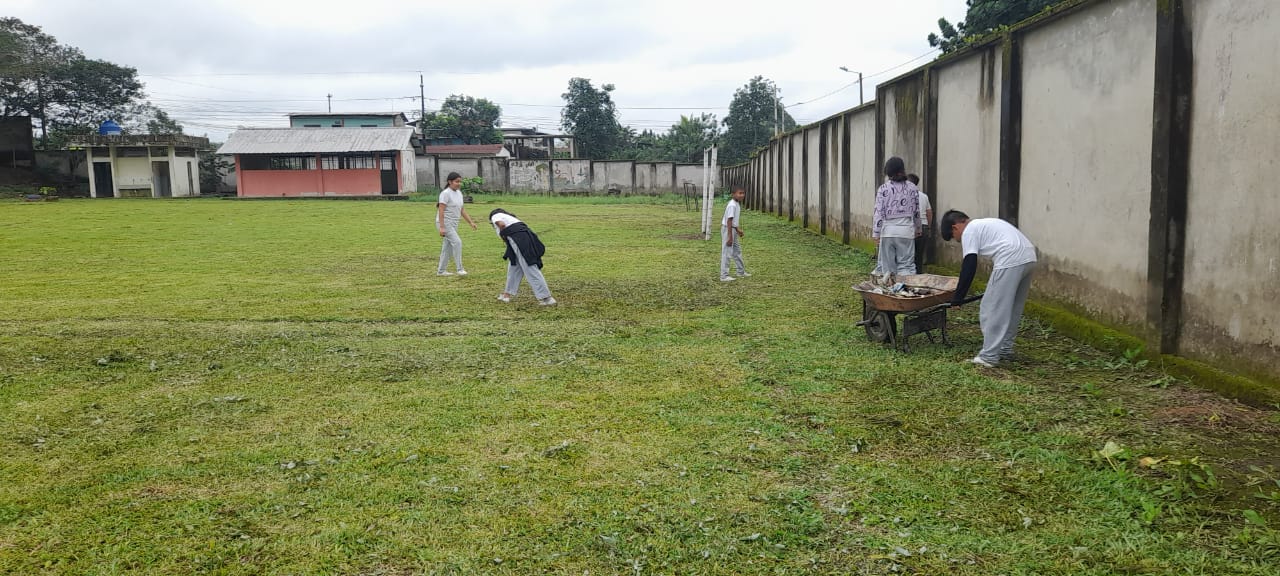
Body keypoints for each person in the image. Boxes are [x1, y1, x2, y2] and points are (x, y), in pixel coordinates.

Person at [941, 210, 1037, 368]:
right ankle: (1005, 349)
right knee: (1013, 307)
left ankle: (989, 356)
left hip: (1010, 258)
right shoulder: (985, 224)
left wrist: (957, 298)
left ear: (955, 227)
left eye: (953, 237)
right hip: (1029, 256)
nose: (957, 240)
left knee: (991, 307)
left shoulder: (969, 230)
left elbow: (969, 265)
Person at [489, 208, 556, 306]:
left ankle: (547, 298)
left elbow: (502, 225)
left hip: (519, 241)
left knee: (530, 268)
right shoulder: (511, 218)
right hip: (524, 239)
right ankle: (507, 295)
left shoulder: (496, 216)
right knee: (514, 266)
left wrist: (503, 235)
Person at [872, 157, 921, 276]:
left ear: (888, 172)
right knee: (906, 266)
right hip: (906, 232)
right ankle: (905, 286)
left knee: (888, 269)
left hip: (888, 232)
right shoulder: (912, 188)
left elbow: (878, 213)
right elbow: (916, 212)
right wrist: (918, 228)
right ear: (903, 170)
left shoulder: (883, 189)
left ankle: (889, 287)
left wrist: (876, 233)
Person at [436, 172, 477, 276]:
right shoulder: (445, 193)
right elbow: (441, 210)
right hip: (445, 223)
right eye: (456, 181)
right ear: (450, 182)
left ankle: (441, 271)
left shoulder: (459, 193)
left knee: (447, 247)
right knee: (457, 242)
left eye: (460, 182)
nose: (459, 184)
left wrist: (470, 222)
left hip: (454, 223)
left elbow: (462, 210)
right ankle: (460, 269)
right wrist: (441, 227)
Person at [720, 187, 750, 282]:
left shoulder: (736, 204)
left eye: (743, 193)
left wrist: (737, 230)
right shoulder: (732, 205)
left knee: (737, 251)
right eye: (739, 193)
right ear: (733, 194)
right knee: (727, 252)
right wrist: (730, 237)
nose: (742, 195)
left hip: (733, 229)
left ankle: (740, 271)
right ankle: (724, 276)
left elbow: (733, 221)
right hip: (728, 230)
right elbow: (729, 221)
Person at [907, 173, 933, 273]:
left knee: (908, 256)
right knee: (919, 256)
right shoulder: (924, 196)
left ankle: (908, 276)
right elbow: (929, 213)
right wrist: (928, 227)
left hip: (910, 227)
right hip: (924, 226)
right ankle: (918, 276)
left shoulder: (905, 196)